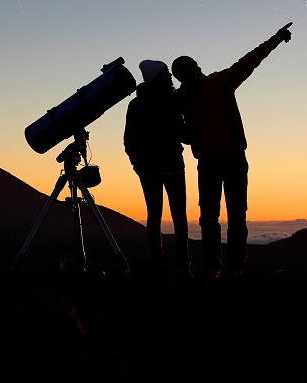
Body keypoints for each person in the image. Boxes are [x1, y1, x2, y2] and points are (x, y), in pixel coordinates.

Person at [171, 22, 293, 278]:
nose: (197, 69)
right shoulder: (185, 98)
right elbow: (180, 131)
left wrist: (275, 39)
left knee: (232, 215)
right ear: (186, 73)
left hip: (226, 159)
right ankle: (218, 267)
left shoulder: (219, 82)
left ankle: (231, 266)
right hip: (213, 161)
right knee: (215, 217)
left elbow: (251, 60)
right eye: (192, 67)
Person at [124, 60, 190, 277]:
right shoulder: (174, 101)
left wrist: (138, 166)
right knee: (179, 217)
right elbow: (183, 133)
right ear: (157, 77)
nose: (170, 77)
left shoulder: (136, 105)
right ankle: (184, 265)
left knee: (154, 216)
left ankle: (158, 260)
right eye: (166, 74)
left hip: (150, 170)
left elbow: (129, 140)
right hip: (172, 167)